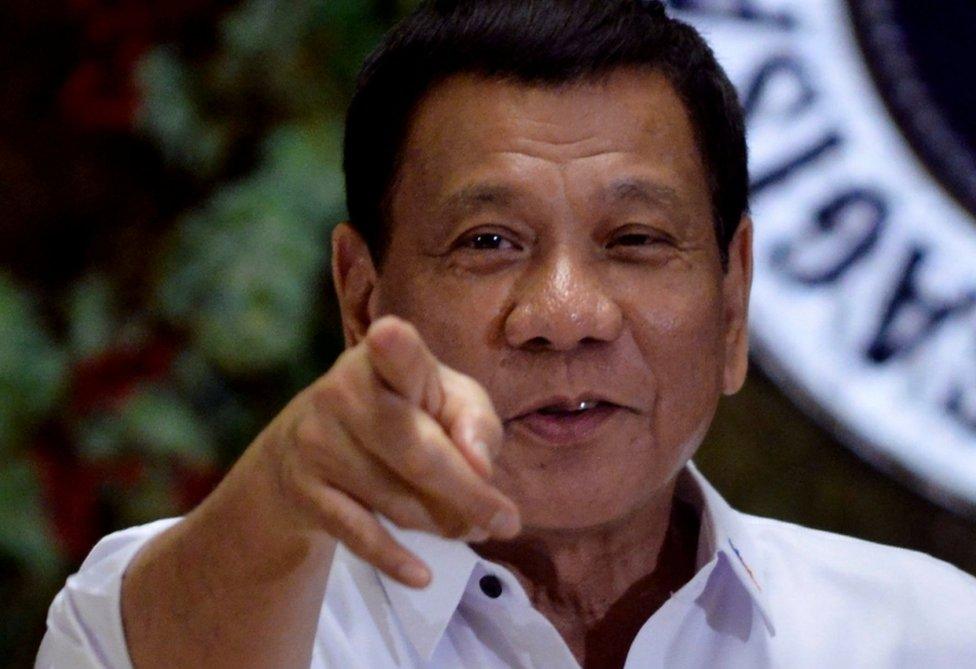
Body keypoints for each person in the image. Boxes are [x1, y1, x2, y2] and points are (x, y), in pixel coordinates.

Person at [36, 1, 976, 667]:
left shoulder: (929, 634)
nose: (564, 314)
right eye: (488, 241)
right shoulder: (199, 606)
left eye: (636, 239)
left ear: (734, 303)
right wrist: (285, 481)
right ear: (363, 302)